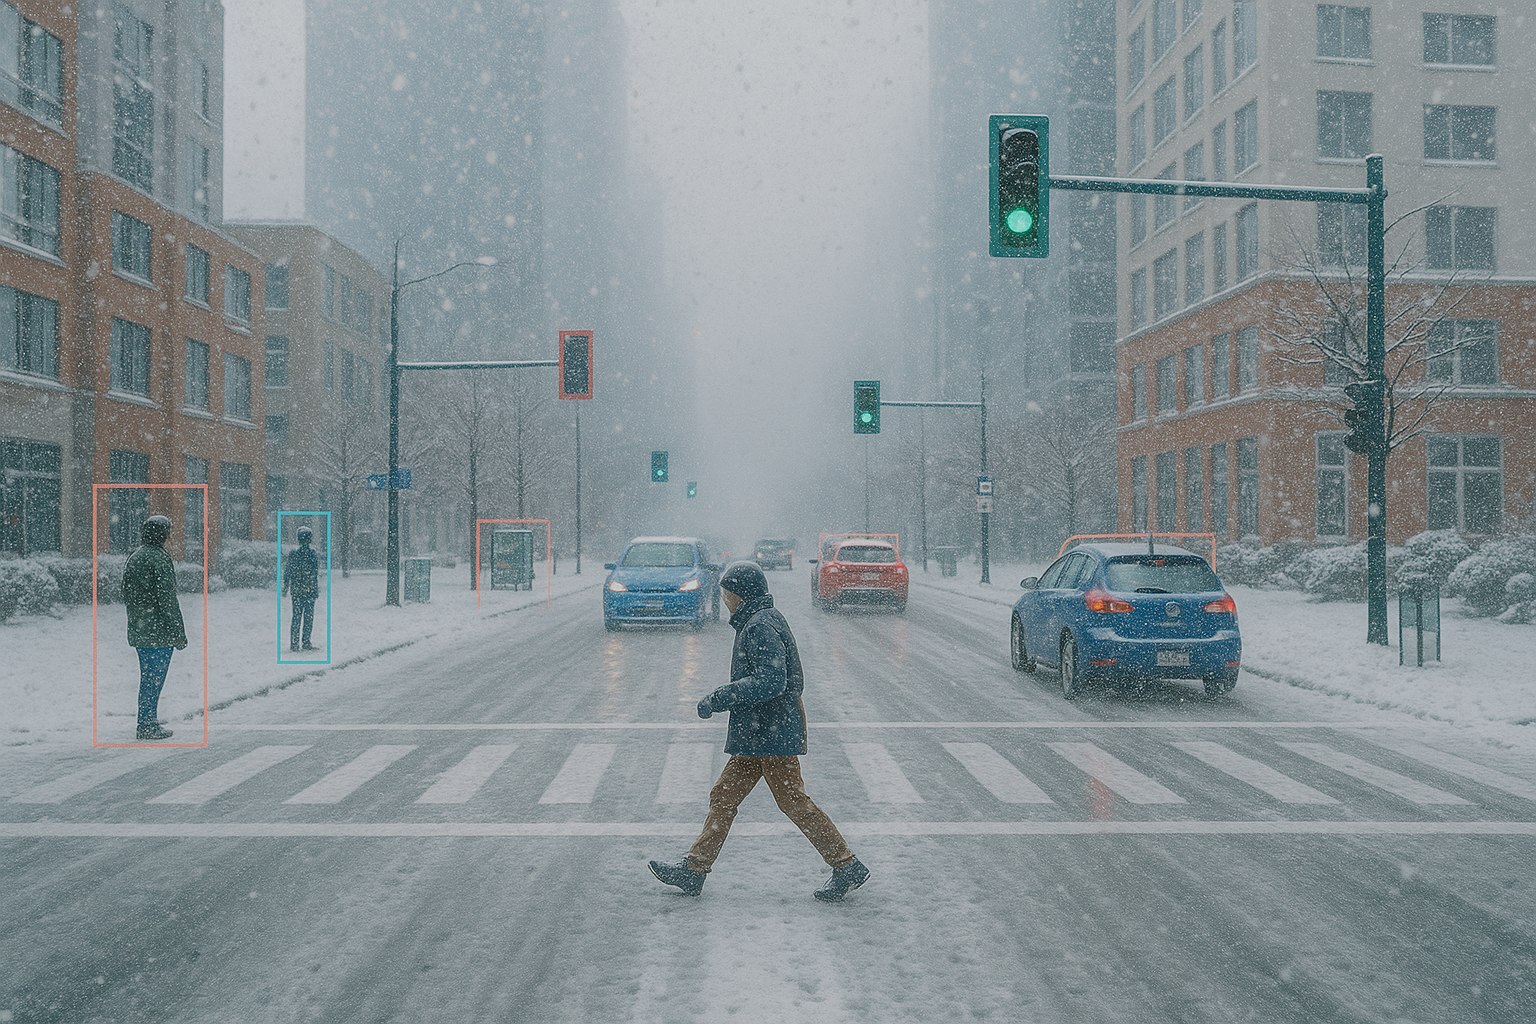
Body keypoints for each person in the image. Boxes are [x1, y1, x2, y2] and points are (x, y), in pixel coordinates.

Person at [649, 561, 869, 902]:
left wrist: (721, 697)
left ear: (740, 594)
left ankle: (846, 864)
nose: (724, 599)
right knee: (724, 796)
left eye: (726, 593)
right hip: (759, 733)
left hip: (771, 732)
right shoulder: (758, 620)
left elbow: (772, 680)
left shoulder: (759, 625)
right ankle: (694, 870)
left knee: (793, 801)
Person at [122, 515, 187, 741]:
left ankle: (146, 721)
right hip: (159, 630)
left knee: (147, 677)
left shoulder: (135, 557)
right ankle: (147, 723)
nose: (170, 536)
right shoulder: (159, 559)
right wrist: (179, 632)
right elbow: (168, 599)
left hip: (139, 627)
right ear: (162, 534)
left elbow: (126, 592)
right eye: (168, 532)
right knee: (154, 678)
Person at [283, 525, 320, 652]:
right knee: (308, 618)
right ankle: (306, 642)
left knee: (296, 617)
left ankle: (294, 643)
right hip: (309, 590)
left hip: (297, 591)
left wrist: (286, 586)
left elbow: (288, 571)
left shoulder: (294, 554)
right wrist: (315, 590)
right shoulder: (312, 554)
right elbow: (315, 573)